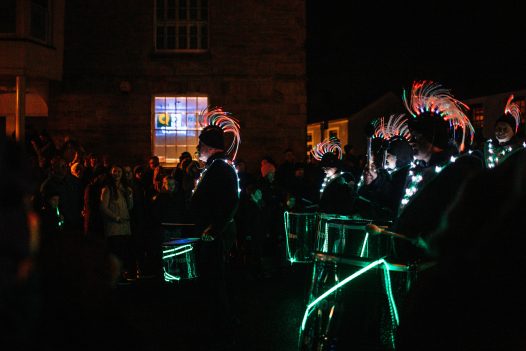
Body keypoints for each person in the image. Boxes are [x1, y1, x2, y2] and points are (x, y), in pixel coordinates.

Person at [187, 107, 241, 350]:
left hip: (213, 239)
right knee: (213, 284)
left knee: (215, 284)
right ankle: (218, 327)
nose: (197, 148)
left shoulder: (220, 169)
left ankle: (221, 330)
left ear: (209, 145)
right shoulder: (217, 167)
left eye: (200, 144)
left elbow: (230, 202)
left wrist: (213, 229)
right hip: (211, 236)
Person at [310, 137, 356, 215]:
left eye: (326, 168)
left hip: (333, 217)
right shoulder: (328, 178)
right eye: (323, 168)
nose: (324, 170)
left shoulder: (341, 180)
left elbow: (341, 202)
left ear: (334, 167)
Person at [484, 94, 525, 168]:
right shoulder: (488, 147)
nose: (500, 132)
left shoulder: (519, 150)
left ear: (512, 131)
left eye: (505, 129)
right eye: (498, 129)